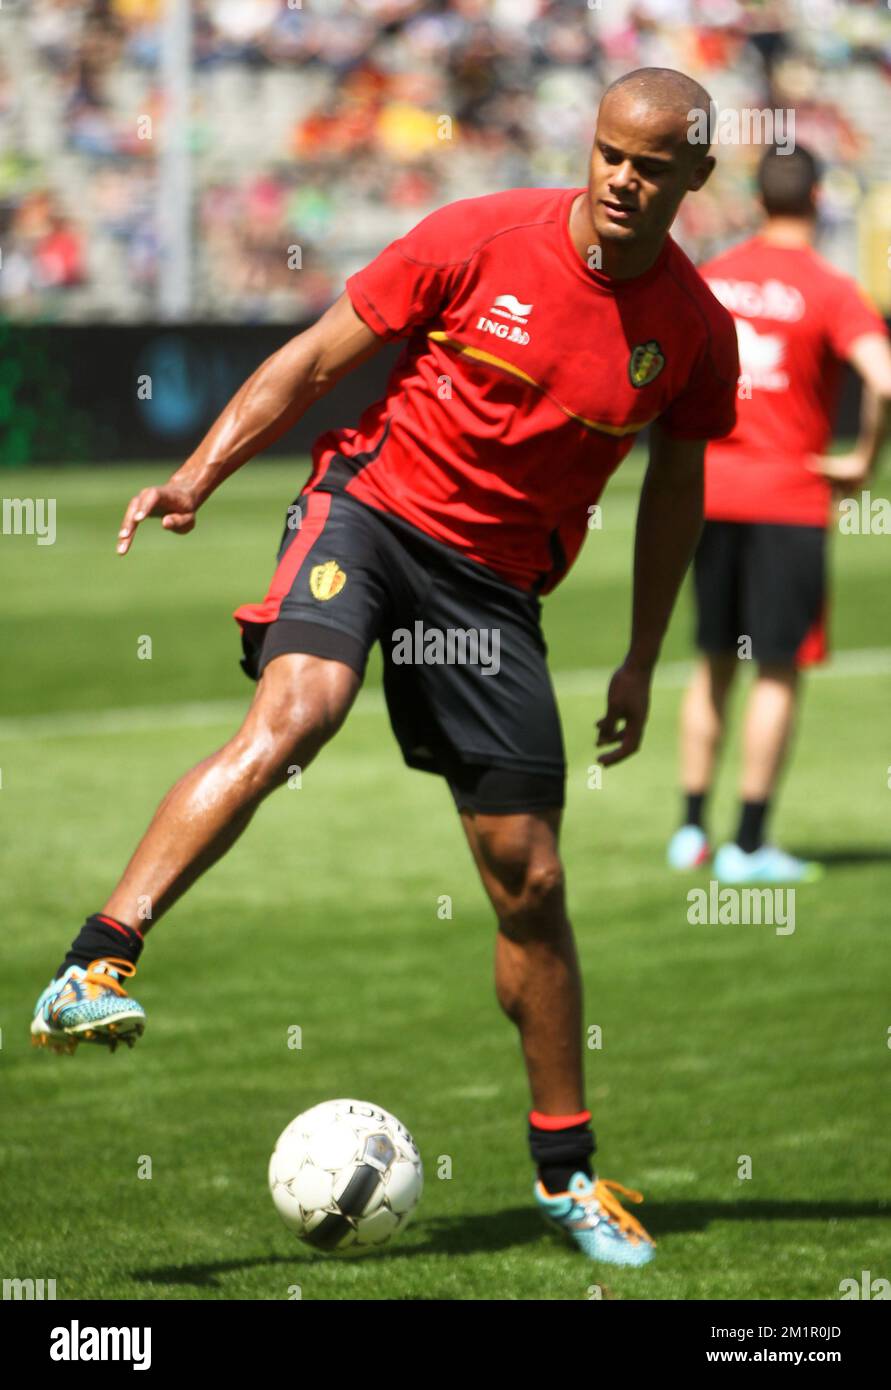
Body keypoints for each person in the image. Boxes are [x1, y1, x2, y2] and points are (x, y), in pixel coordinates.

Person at [32, 68, 739, 1266]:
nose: (626, 178)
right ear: (593, 147)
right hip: (369, 514)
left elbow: (681, 488)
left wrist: (637, 658)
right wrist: (198, 474)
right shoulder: (476, 238)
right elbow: (313, 360)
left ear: (694, 178)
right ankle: (94, 962)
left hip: (495, 589)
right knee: (299, 712)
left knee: (530, 876)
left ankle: (566, 1174)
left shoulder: (692, 330)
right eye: (612, 153)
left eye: (654, 165)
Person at [668, 145, 891, 884]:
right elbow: (882, 382)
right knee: (773, 671)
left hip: (709, 492)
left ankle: (691, 832)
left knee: (710, 666)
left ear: (756, 200)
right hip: (788, 501)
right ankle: (750, 845)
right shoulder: (830, 288)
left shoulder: (714, 276)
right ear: (819, 199)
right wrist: (862, 460)